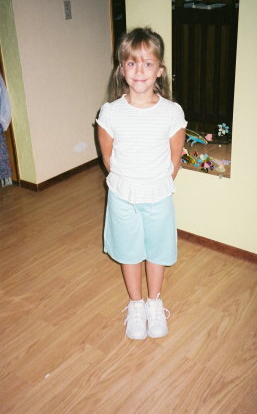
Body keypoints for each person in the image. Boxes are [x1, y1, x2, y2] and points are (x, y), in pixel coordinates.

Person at [97, 27, 187, 340]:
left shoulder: (171, 112)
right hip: (123, 195)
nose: (140, 71)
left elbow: (175, 159)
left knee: (157, 251)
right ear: (122, 69)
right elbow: (108, 158)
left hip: (158, 195)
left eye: (148, 64)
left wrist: (154, 184)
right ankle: (136, 305)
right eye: (132, 63)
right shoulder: (110, 112)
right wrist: (128, 184)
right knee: (129, 250)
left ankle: (154, 303)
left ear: (160, 71)